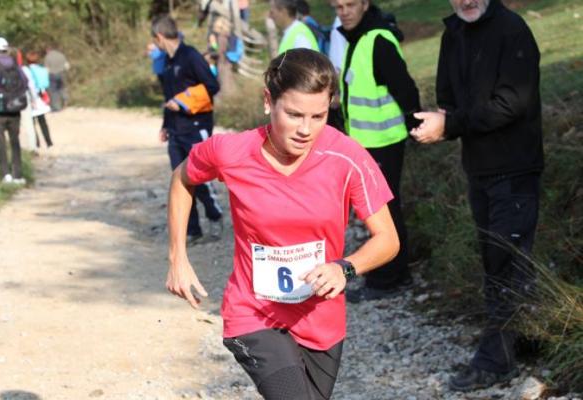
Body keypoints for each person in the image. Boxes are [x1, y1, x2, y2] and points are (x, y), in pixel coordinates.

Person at [166, 48, 400, 400]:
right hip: (254, 313)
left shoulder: (347, 156)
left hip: (321, 321)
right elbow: (182, 178)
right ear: (268, 101)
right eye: (293, 114)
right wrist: (178, 258)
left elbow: (388, 239)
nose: (306, 129)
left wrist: (345, 268)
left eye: (318, 116)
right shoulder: (232, 151)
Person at [411, 0, 543, 392]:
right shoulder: (453, 33)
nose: (466, 1)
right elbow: (447, 96)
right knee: (497, 262)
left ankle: (495, 362)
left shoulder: (512, 30)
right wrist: (439, 123)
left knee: (505, 262)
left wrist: (451, 123)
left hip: (515, 169)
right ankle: (526, 337)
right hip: (479, 170)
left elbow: (512, 103)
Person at [334, 0, 421, 302]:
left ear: (364, 4)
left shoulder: (377, 39)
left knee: (384, 212)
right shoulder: (358, 38)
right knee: (381, 211)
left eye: (349, 5)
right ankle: (391, 274)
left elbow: (405, 88)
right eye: (338, 7)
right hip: (368, 142)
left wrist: (417, 126)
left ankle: (388, 279)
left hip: (384, 141)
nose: (344, 12)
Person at [151, 14, 224, 245]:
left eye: (154, 40)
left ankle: (215, 216)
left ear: (159, 37)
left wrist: (184, 101)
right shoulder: (167, 62)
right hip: (175, 130)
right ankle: (193, 230)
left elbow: (213, 85)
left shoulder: (191, 55)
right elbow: (168, 98)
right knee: (180, 182)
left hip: (196, 127)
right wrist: (165, 125)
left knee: (199, 177)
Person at [0, 37, 28, 185]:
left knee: (0, 141)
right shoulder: (15, 64)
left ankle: (5, 175)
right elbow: (25, 82)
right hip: (15, 106)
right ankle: (18, 175)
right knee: (15, 140)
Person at [23, 51, 53, 149]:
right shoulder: (43, 70)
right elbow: (46, 83)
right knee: (43, 121)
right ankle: (49, 142)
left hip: (32, 97)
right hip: (41, 96)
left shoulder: (26, 70)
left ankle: (37, 143)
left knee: (32, 123)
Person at [43, 45, 69, 111]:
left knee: (54, 91)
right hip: (61, 74)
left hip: (52, 75)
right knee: (62, 88)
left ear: (47, 50)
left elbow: (47, 69)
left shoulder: (47, 57)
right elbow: (67, 66)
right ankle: (65, 101)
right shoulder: (61, 55)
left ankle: (56, 107)